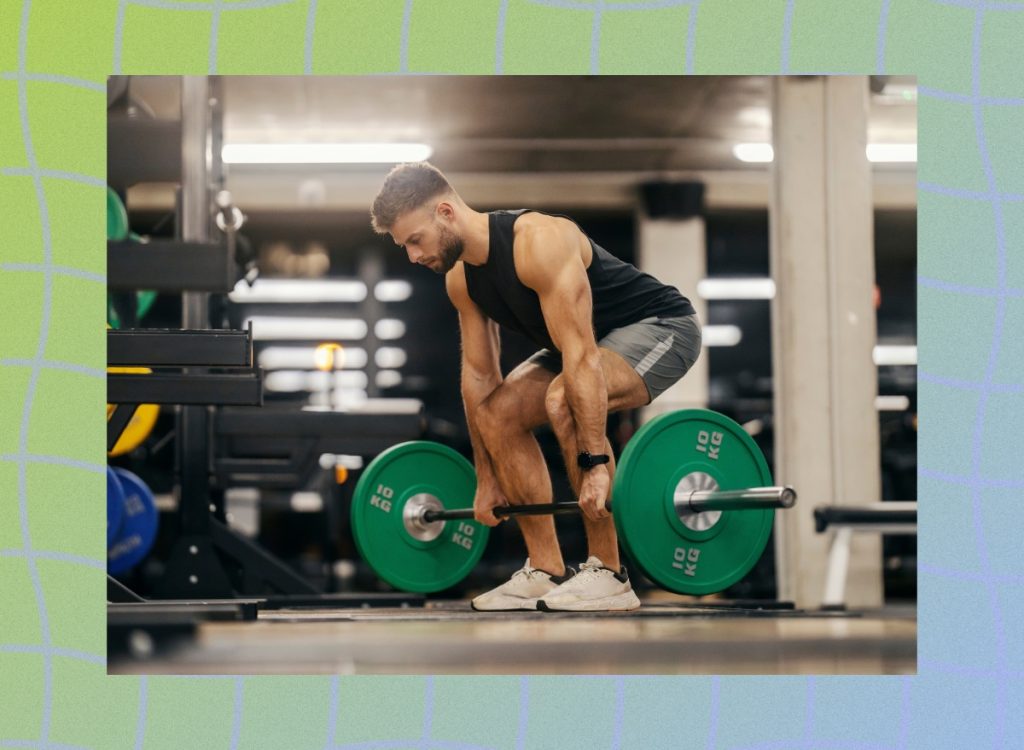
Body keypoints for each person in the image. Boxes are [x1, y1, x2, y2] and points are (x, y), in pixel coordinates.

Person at [370, 162, 701, 611]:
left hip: (662, 328)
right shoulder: (461, 279)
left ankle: (609, 573)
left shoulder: (539, 241)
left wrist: (596, 464)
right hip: (582, 348)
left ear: (445, 212)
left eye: (415, 239)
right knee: (497, 413)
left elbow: (581, 356)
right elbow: (479, 377)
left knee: (563, 397)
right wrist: (487, 477)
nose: (413, 255)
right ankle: (546, 570)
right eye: (404, 246)